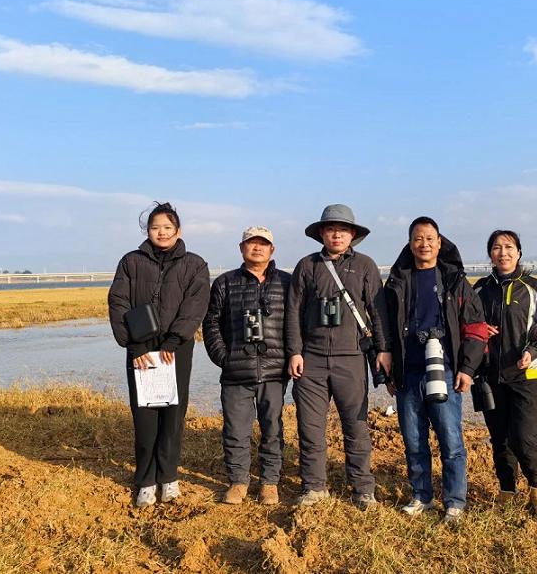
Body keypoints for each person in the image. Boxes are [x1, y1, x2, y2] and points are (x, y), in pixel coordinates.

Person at [285, 204, 392, 509]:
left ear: (352, 234)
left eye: (343, 230)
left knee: (355, 425)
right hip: (312, 360)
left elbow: (378, 311)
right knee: (310, 427)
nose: (337, 235)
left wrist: (384, 349)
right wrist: (294, 351)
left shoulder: (365, 265)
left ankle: (362, 488)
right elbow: (293, 312)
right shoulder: (307, 266)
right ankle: (314, 487)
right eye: (331, 229)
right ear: (321, 233)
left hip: (352, 358)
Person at [385, 217, 487, 524]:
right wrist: (389, 372)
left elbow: (475, 327)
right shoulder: (397, 282)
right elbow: (386, 330)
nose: (424, 244)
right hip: (408, 373)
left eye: (430, 238)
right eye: (418, 238)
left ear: (440, 243)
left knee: (451, 440)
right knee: (413, 441)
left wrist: (467, 368)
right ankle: (422, 496)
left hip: (445, 371)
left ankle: (454, 501)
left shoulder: (454, 280)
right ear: (410, 243)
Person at [108, 202, 210, 508]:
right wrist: (135, 345)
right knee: (144, 415)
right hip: (141, 350)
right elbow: (118, 302)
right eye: (155, 227)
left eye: (167, 227)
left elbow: (195, 305)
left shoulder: (195, 265)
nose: (161, 232)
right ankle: (145, 481)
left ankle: (169, 477)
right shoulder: (131, 261)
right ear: (147, 231)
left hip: (176, 350)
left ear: (178, 230)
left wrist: (173, 341)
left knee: (173, 414)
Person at [473, 230, 537, 522]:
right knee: (500, 439)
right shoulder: (480, 289)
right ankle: (507, 491)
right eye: (497, 248)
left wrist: (533, 349)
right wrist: (479, 330)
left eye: (509, 247)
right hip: (490, 377)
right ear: (490, 254)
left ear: (519, 253)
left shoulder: (533, 287)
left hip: (527, 376)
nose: (503, 253)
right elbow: (466, 326)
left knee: (525, 438)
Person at [203, 226, 290, 506]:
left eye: (263, 243)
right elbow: (211, 323)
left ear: (272, 250)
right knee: (235, 430)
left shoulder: (286, 282)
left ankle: (269, 482)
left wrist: (290, 357)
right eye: (251, 243)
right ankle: (238, 481)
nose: (257, 248)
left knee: (272, 429)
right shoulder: (225, 283)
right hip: (235, 372)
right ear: (241, 248)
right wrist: (223, 358)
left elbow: (296, 323)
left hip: (275, 370)